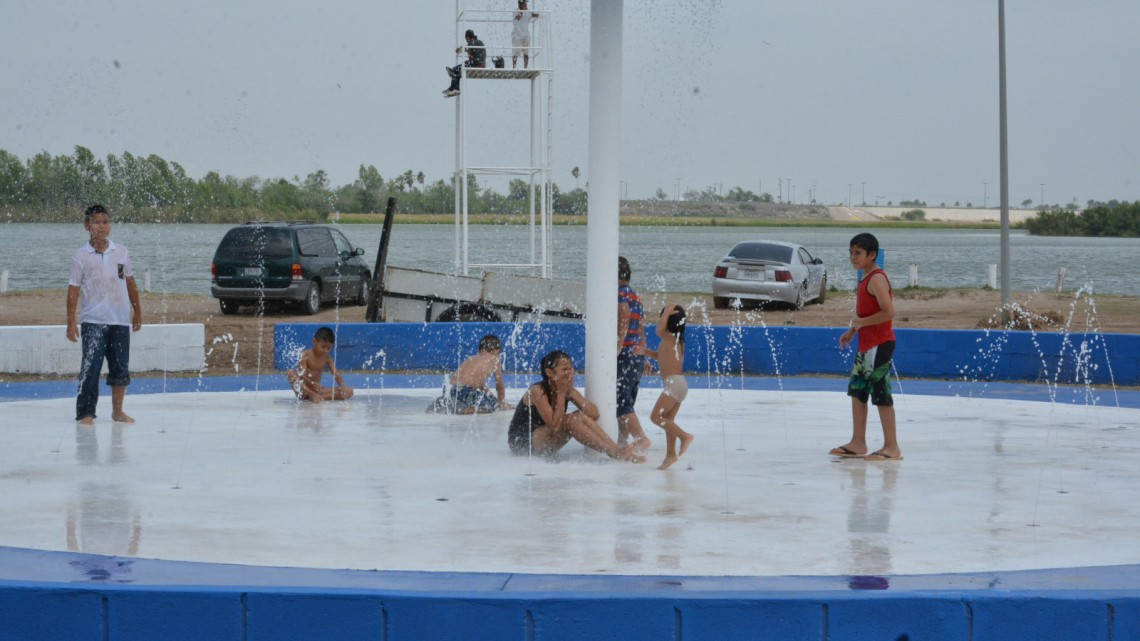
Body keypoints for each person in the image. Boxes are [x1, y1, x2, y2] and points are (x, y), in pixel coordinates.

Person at [66, 205, 143, 425]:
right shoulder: (81, 256)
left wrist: (137, 311)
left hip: (119, 320)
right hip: (93, 321)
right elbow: (73, 291)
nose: (102, 226)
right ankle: (86, 413)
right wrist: (71, 323)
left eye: (106, 222)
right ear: (87, 226)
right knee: (90, 368)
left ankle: (117, 411)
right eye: (97, 222)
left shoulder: (121, 252)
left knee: (120, 369)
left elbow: (130, 282)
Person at [830, 233, 902, 461]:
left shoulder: (876, 278)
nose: (853, 257)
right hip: (866, 345)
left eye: (858, 253)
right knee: (858, 391)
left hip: (880, 345)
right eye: (851, 252)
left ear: (872, 255)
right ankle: (858, 442)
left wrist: (861, 323)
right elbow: (866, 313)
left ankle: (892, 448)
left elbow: (888, 312)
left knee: (881, 394)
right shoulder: (864, 277)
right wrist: (852, 331)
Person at [508, 350, 645, 463]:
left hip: (543, 438)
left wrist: (572, 394)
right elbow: (554, 426)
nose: (570, 373)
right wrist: (562, 393)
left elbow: (594, 414)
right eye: (565, 369)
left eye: (571, 369)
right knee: (570, 420)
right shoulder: (537, 391)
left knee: (578, 416)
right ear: (550, 373)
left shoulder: (568, 390)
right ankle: (614, 452)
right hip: (522, 442)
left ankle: (615, 449)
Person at [635, 304, 695, 470]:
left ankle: (685, 437)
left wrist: (670, 307)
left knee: (655, 417)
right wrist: (645, 351)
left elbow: (658, 329)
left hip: (674, 384)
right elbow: (660, 356)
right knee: (668, 421)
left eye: (664, 317)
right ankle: (670, 455)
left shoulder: (670, 337)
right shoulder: (675, 341)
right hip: (678, 384)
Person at [617, 256, 652, 450]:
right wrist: (644, 356)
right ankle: (621, 442)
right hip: (637, 354)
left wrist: (619, 345)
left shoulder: (620, 294)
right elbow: (641, 328)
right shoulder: (635, 296)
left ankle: (641, 438)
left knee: (621, 402)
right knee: (625, 402)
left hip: (626, 354)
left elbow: (623, 312)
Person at [428, 334, 513, 414]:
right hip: (465, 391)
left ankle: (442, 403)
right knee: (492, 407)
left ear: (480, 349)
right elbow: (499, 386)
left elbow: (481, 386)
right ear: (496, 350)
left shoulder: (471, 358)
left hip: (450, 389)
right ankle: (463, 410)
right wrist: (501, 403)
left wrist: (493, 398)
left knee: (488, 400)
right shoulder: (494, 359)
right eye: (498, 353)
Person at [287, 326, 354, 402]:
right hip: (303, 390)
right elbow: (301, 375)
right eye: (323, 347)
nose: (325, 350)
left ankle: (318, 397)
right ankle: (311, 395)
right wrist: (312, 383)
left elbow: (336, 374)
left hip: (318, 391)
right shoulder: (305, 354)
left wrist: (342, 386)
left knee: (349, 391)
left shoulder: (327, 358)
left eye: (328, 348)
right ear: (314, 341)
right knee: (290, 373)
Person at [443, 29, 486, 98]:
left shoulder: (473, 42)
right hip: (478, 63)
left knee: (456, 69)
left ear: (467, 37)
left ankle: (455, 88)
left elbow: (468, 46)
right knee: (458, 71)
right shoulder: (477, 42)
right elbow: (470, 48)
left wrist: (460, 49)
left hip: (476, 64)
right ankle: (453, 88)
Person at [511, 0, 539, 69]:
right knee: (516, 52)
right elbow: (517, 19)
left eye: (524, 3)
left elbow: (535, 14)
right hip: (517, 35)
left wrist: (539, 14)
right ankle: (514, 67)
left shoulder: (528, 12)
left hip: (526, 35)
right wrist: (522, 11)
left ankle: (525, 67)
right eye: (521, 3)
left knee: (526, 52)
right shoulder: (516, 11)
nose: (524, 4)